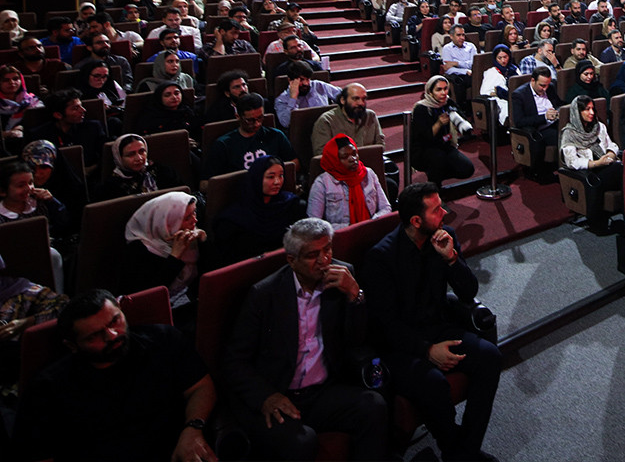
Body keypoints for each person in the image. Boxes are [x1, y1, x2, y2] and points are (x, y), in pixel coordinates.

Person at [222, 218, 388, 461]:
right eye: (313, 255)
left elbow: (356, 340)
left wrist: (355, 296)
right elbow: (234, 361)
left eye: (328, 249)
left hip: (322, 390)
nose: (324, 260)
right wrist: (266, 396)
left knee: (373, 405)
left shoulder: (343, 277)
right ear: (292, 260)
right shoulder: (265, 294)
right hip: (281, 392)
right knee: (302, 441)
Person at [362, 182, 502, 462]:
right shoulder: (382, 257)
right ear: (416, 221)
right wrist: (427, 351)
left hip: (437, 327)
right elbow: (386, 325)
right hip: (400, 345)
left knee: (490, 357)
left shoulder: (445, 237)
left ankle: (463, 453)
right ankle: (457, 450)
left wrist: (451, 259)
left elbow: (468, 292)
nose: (445, 213)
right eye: (437, 210)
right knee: (433, 383)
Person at [15, 289, 218, 462]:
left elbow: (200, 387)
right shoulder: (48, 388)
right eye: (95, 335)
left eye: (115, 321)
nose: (112, 335)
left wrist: (193, 428)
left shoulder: (162, 340)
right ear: (72, 346)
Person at [209, 155, 305, 269]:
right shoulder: (232, 220)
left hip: (288, 266)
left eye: (281, 175)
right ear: (257, 178)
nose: (277, 182)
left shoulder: (292, 204)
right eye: (271, 177)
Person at [120, 192, 206, 311]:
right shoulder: (139, 250)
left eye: (194, 212)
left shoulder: (188, 234)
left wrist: (203, 240)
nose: (195, 220)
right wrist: (175, 256)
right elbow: (150, 294)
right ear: (168, 222)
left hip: (188, 300)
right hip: (158, 309)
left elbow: (208, 274)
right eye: (187, 218)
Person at [203, 93, 298, 182]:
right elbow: (205, 183)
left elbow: (294, 163)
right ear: (238, 116)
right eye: (250, 120)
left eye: (260, 118)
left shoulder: (276, 135)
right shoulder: (224, 145)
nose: (257, 124)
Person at [559, 96, 622, 228]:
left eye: (593, 109)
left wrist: (611, 153)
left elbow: (611, 144)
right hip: (588, 172)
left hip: (605, 166)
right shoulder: (569, 134)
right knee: (620, 170)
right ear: (578, 112)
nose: (592, 113)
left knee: (623, 170)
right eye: (587, 109)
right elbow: (572, 162)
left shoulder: (599, 126)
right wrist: (597, 163)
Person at [308, 134, 391, 228]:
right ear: (334, 160)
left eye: (354, 154)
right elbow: (314, 223)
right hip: (340, 234)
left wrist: (371, 224)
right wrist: (349, 229)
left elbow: (386, 207)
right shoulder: (322, 183)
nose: (353, 159)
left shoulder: (368, 174)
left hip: (371, 229)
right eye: (345, 156)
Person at [410, 75, 475, 187]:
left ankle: (437, 174)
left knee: (467, 169)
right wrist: (438, 124)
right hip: (424, 149)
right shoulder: (421, 108)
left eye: (445, 89)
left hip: (444, 145)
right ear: (430, 92)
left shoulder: (448, 103)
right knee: (438, 158)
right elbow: (423, 138)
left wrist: (458, 121)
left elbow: (462, 120)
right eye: (439, 90)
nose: (443, 93)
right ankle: (434, 184)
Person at [510, 67, 564, 183]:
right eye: (542, 85)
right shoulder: (519, 95)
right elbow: (519, 121)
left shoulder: (550, 88)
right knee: (562, 137)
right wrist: (544, 117)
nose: (545, 89)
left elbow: (559, 104)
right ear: (533, 80)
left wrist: (559, 111)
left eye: (547, 85)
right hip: (537, 129)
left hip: (554, 123)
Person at [96, 133, 184, 202]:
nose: (139, 158)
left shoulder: (162, 171)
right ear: (119, 158)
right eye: (131, 154)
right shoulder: (111, 187)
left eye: (142, 151)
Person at [310, 83, 385, 152]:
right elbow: (322, 154)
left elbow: (380, 145)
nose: (361, 103)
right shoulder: (326, 121)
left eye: (364, 99)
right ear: (343, 100)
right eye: (356, 99)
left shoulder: (370, 116)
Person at [273, 61, 340, 129]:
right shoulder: (281, 100)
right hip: (302, 132)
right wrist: (293, 98)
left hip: (327, 126)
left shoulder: (319, 85)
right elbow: (286, 123)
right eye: (301, 80)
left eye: (307, 79)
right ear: (290, 80)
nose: (306, 83)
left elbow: (341, 95)